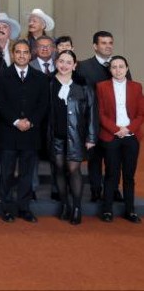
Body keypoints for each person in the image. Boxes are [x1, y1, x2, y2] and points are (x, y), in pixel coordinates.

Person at [0, 40, 49, 223]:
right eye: (18, 52)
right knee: (6, 173)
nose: (22, 55)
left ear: (30, 54)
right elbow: (0, 103)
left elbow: (43, 104)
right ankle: (7, 208)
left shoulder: (40, 77)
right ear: (13, 53)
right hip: (9, 132)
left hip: (31, 133)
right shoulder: (1, 76)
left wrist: (31, 122)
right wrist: (16, 121)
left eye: (25, 52)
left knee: (27, 173)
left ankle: (24, 208)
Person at [48, 50, 96, 224]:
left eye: (69, 62)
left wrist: (91, 137)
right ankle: (65, 204)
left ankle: (76, 207)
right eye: (61, 61)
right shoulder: (49, 83)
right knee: (59, 170)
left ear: (74, 65)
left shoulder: (83, 85)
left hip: (76, 136)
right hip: (55, 136)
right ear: (56, 62)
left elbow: (92, 112)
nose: (64, 65)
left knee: (74, 170)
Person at [76, 31, 125, 203]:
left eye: (110, 42)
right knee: (94, 158)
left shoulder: (119, 65)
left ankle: (113, 190)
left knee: (115, 159)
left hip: (116, 123)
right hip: (92, 121)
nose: (108, 46)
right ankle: (96, 190)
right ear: (95, 46)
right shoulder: (84, 66)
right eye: (103, 43)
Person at [95, 56, 143, 223]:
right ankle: (107, 210)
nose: (118, 70)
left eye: (121, 66)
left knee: (129, 176)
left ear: (127, 68)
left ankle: (130, 211)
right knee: (111, 174)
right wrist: (116, 130)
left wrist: (128, 129)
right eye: (114, 67)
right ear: (110, 70)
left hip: (131, 136)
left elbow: (140, 114)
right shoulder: (101, 87)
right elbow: (100, 114)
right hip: (111, 136)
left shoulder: (137, 87)